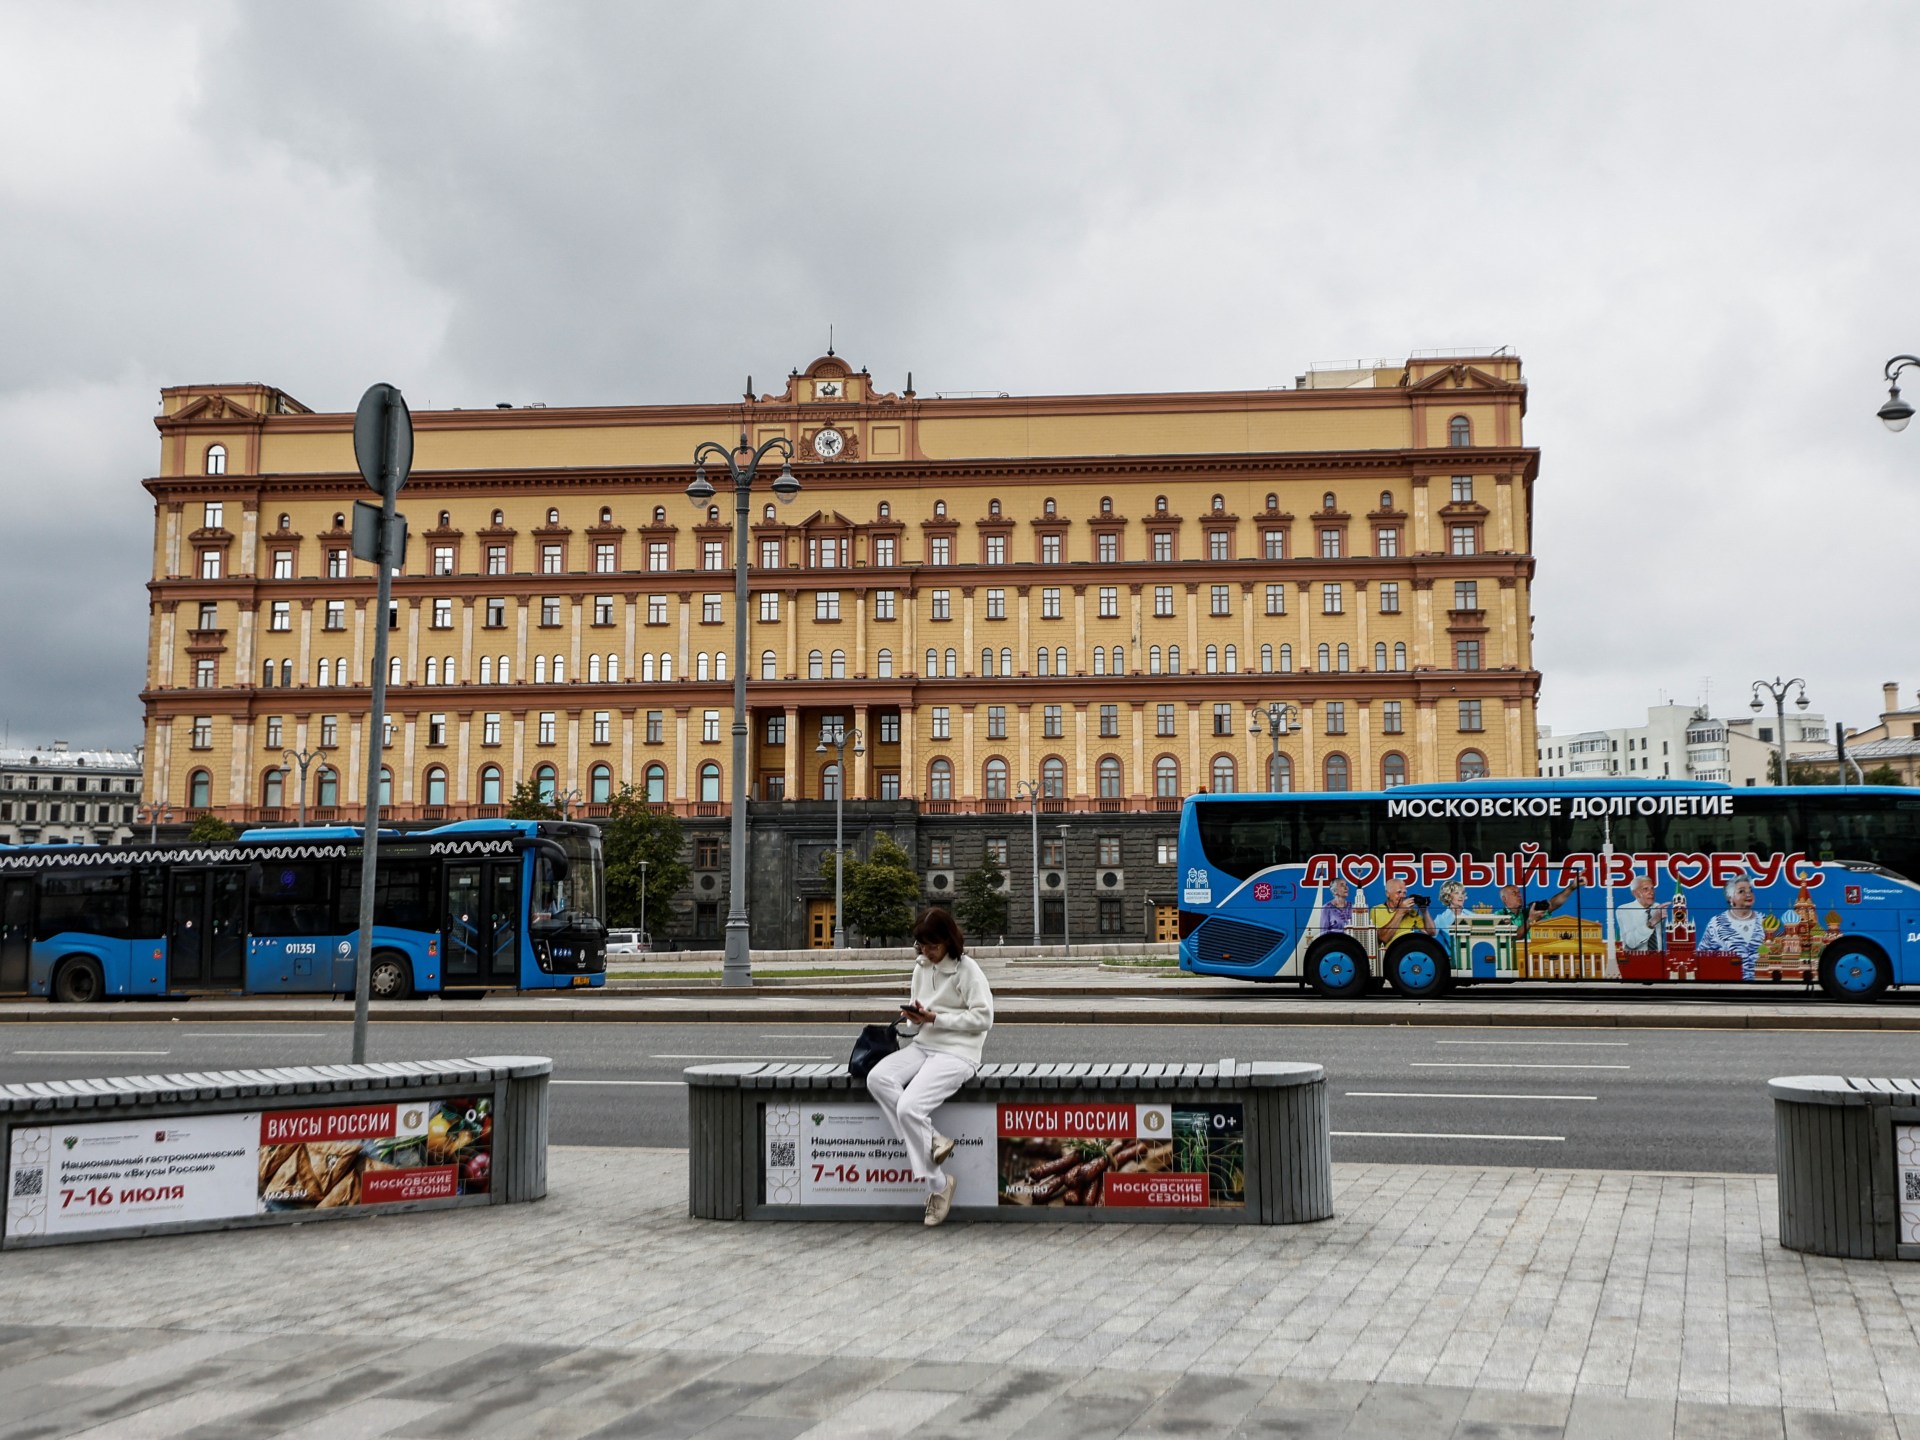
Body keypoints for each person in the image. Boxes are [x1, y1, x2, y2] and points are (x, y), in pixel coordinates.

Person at [865, 907, 994, 1227]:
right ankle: (933, 1140)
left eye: (933, 946)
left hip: (959, 1052)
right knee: (878, 1077)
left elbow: (984, 1018)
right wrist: (916, 1014)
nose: (927, 952)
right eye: (922, 946)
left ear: (949, 942)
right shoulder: (921, 966)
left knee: (910, 1107)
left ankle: (938, 1186)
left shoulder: (968, 970)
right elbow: (920, 1005)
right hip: (924, 1044)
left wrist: (937, 1018)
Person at [1699, 877, 1766, 980]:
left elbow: (1777, 949)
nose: (1748, 894)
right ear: (1730, 898)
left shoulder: (1764, 920)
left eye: (1750, 890)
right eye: (1742, 891)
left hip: (1763, 985)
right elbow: (1702, 956)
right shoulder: (1717, 923)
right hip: (1729, 986)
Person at [1369, 876, 1433, 945]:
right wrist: (1401, 912)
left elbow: (1431, 932)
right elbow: (1382, 938)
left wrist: (1424, 912)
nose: (1403, 896)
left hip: (1406, 952)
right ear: (1388, 894)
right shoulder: (1377, 910)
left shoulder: (1411, 912)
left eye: (1404, 893)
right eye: (1399, 892)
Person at [1614, 876, 1669, 954]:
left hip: (1657, 958)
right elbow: (1631, 943)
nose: (1651, 892)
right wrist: (1652, 922)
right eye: (1645, 889)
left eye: (1652, 888)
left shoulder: (1657, 907)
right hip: (1636, 960)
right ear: (1635, 893)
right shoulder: (1624, 910)